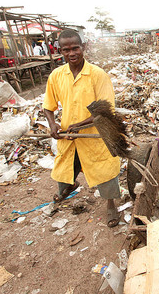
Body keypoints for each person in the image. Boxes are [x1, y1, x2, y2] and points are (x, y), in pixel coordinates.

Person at [43, 29, 122, 228]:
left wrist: (79, 125)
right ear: (60, 51)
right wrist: (53, 125)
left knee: (104, 170)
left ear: (83, 47)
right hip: (69, 136)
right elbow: (48, 106)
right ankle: (68, 187)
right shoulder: (56, 76)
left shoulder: (97, 75)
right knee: (66, 166)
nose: (72, 53)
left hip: (96, 134)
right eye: (66, 49)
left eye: (75, 48)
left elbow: (105, 110)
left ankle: (111, 204)